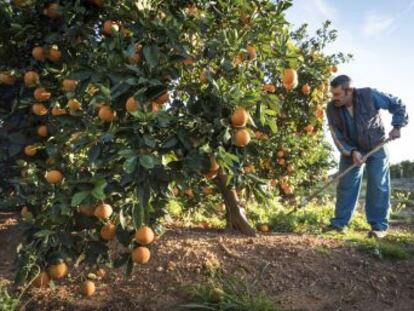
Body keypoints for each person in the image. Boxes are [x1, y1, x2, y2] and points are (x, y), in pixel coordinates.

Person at [326, 75, 408, 238]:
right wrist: (351, 152)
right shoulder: (331, 108)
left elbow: (396, 103)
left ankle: (378, 227)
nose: (333, 98)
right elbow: (337, 136)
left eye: (337, 94)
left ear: (349, 91)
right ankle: (340, 223)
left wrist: (397, 125)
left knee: (378, 184)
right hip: (351, 148)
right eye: (332, 94)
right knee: (346, 185)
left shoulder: (369, 95)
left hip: (376, 145)